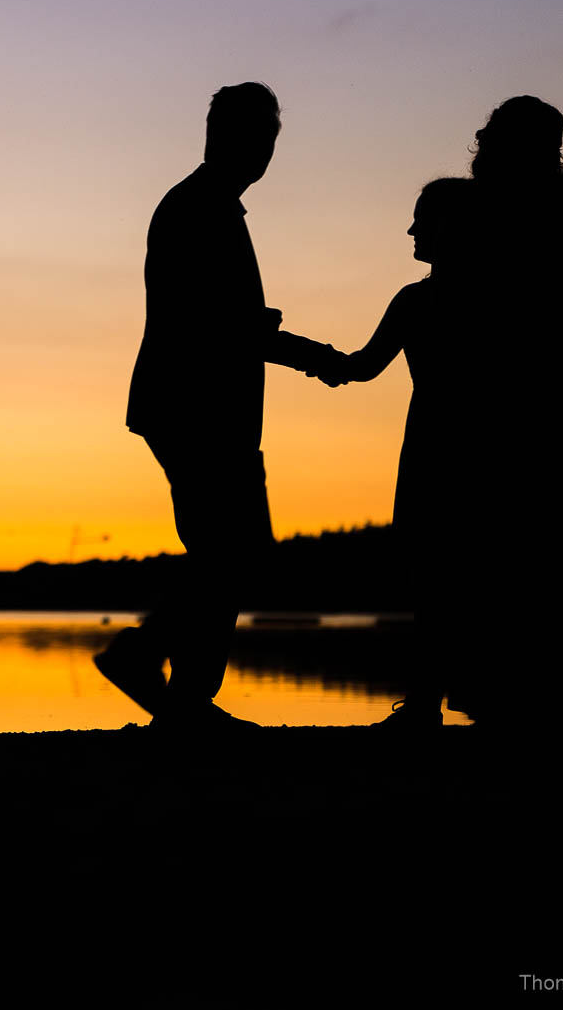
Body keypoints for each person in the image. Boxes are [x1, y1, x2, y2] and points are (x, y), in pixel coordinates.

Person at [106, 82, 344, 730]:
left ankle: (179, 694)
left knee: (226, 552)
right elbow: (220, 324)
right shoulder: (200, 208)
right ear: (225, 136)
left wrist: (268, 332)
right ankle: (156, 670)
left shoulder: (208, 206)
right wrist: (313, 353)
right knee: (228, 553)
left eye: (271, 139)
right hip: (196, 407)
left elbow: (224, 320)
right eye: (260, 137)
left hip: (204, 408)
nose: (266, 152)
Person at [431, 96, 563, 720]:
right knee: (514, 549)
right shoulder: (469, 215)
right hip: (505, 397)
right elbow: (453, 317)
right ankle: (513, 696)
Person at [319, 180, 469, 726]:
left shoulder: (417, 300)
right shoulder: (501, 301)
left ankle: (428, 701)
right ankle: (446, 697)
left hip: (435, 447)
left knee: (433, 573)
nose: (411, 230)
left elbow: (358, 367)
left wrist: (286, 351)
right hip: (467, 446)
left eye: (421, 219)